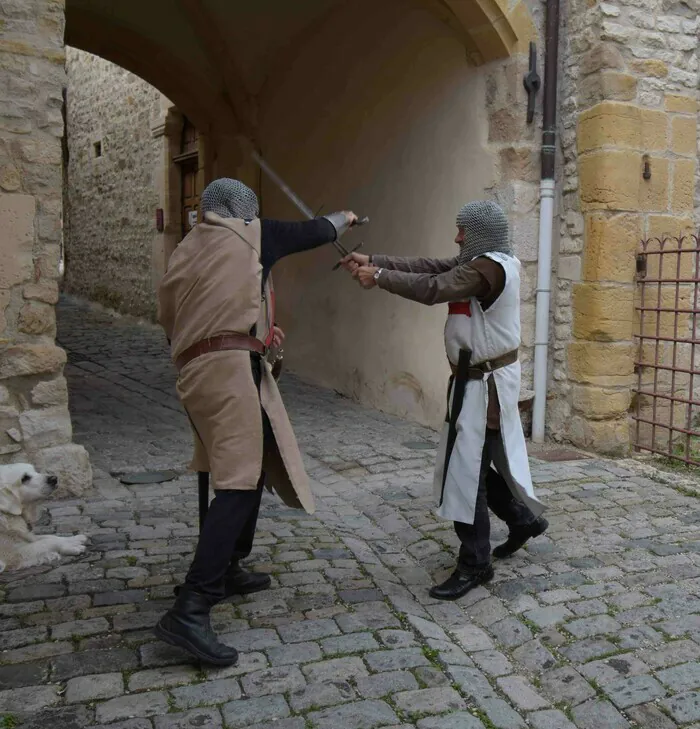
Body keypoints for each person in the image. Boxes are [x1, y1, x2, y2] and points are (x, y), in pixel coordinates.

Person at [156, 177, 357, 664]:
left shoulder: (187, 249)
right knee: (239, 482)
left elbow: (173, 315)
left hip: (203, 370)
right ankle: (192, 607)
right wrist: (347, 219)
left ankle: (229, 567)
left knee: (245, 463)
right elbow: (314, 230)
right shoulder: (251, 235)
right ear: (240, 210)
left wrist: (251, 333)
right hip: (226, 374)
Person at [341, 200, 547, 601]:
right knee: (473, 464)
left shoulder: (489, 267)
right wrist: (375, 260)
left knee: (465, 472)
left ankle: (475, 563)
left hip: (484, 386)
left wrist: (379, 276)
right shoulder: (482, 261)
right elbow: (433, 268)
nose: (457, 237)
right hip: (472, 384)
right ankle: (522, 521)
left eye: (462, 231)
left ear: (480, 232)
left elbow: (436, 288)